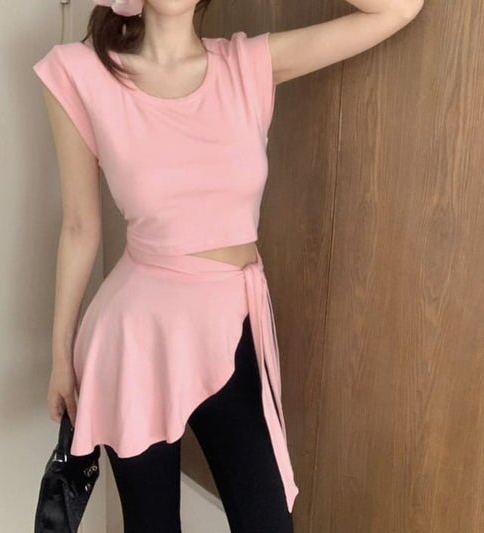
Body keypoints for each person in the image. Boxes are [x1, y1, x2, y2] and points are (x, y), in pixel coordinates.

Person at [32, 0, 421, 530]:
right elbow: (81, 226)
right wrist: (60, 356)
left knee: (266, 521)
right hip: (136, 339)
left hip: (232, 327)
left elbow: (397, 11)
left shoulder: (246, 65)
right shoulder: (82, 72)